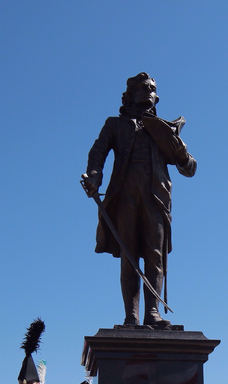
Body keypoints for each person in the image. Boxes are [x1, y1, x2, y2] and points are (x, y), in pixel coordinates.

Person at [82, 72, 197, 327]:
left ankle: (152, 313)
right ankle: (132, 317)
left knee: (154, 256)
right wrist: (94, 176)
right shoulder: (115, 124)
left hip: (156, 198)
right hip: (125, 197)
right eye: (144, 87)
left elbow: (189, 168)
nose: (149, 91)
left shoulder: (163, 130)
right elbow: (98, 152)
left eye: (152, 88)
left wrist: (180, 151)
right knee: (129, 255)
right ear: (131, 94)